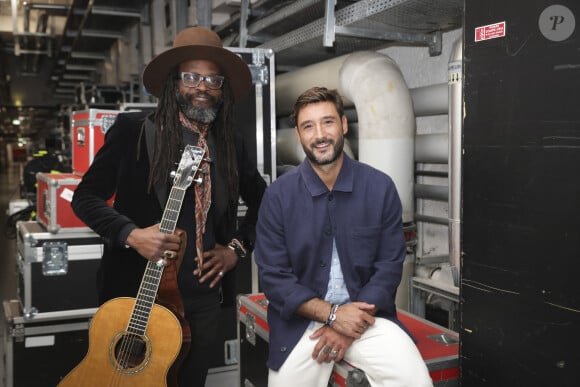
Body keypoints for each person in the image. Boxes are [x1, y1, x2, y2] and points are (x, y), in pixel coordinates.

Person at [72, 26, 267, 386]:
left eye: (213, 79)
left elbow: (264, 204)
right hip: (135, 296)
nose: (203, 87)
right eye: (192, 76)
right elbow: (85, 198)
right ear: (174, 82)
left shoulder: (230, 144)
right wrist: (131, 235)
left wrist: (235, 250)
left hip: (203, 301)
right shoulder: (132, 131)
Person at [254, 87, 433, 387]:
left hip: (367, 317)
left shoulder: (380, 187)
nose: (320, 134)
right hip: (302, 322)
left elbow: (389, 267)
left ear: (344, 125)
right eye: (308, 126)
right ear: (298, 135)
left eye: (328, 122)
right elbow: (274, 278)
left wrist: (348, 324)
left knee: (414, 381)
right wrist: (334, 316)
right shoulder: (277, 197)